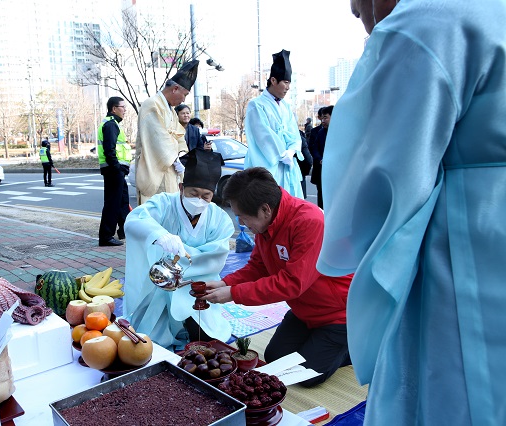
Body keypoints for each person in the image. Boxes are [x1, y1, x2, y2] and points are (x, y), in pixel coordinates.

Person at [317, 1, 506, 424]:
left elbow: (373, 184)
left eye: (358, 3)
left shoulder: (429, 21)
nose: (357, 14)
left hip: (465, 242)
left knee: (452, 387)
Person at [203, 167, 352, 387]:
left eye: (242, 218)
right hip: (304, 311)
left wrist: (233, 294)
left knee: (306, 376)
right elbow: (257, 266)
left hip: (337, 314)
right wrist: (226, 282)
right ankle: (322, 345)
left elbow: (293, 284)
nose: (242, 224)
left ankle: (354, 345)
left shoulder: (309, 222)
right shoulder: (267, 224)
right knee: (275, 357)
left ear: (265, 209)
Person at [124, 148, 234, 350]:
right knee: (148, 338)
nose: (199, 200)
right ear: (182, 188)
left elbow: (216, 256)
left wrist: (182, 258)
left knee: (205, 338)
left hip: (194, 284)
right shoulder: (164, 203)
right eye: (194, 193)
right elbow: (135, 220)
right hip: (160, 283)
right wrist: (159, 235)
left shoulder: (219, 218)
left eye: (206, 196)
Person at [134, 60, 198, 204]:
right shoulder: (152, 104)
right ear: (175, 89)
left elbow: (179, 137)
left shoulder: (171, 111)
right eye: (185, 94)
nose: (184, 99)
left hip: (171, 169)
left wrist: (181, 156)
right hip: (157, 170)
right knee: (157, 212)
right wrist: (175, 159)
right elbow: (159, 139)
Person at [244, 49, 305, 199]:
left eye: (289, 83)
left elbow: (293, 133)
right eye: (285, 82)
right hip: (268, 165)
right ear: (273, 80)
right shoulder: (256, 105)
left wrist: (291, 151)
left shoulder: (286, 106)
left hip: (287, 165)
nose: (288, 87)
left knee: (290, 206)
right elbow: (263, 135)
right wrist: (281, 154)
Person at [98, 97, 132, 247]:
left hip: (117, 170)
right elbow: (109, 150)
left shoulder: (114, 124)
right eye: (122, 107)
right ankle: (106, 236)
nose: (125, 110)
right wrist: (117, 167)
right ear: (114, 108)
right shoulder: (111, 125)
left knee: (122, 201)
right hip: (113, 170)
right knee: (112, 203)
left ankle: (125, 230)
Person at [309, 105, 332, 209]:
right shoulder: (321, 132)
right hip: (321, 170)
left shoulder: (341, 132)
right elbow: (315, 148)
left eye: (325, 117)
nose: (323, 121)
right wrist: (320, 159)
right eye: (322, 118)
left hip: (335, 172)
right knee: (321, 197)